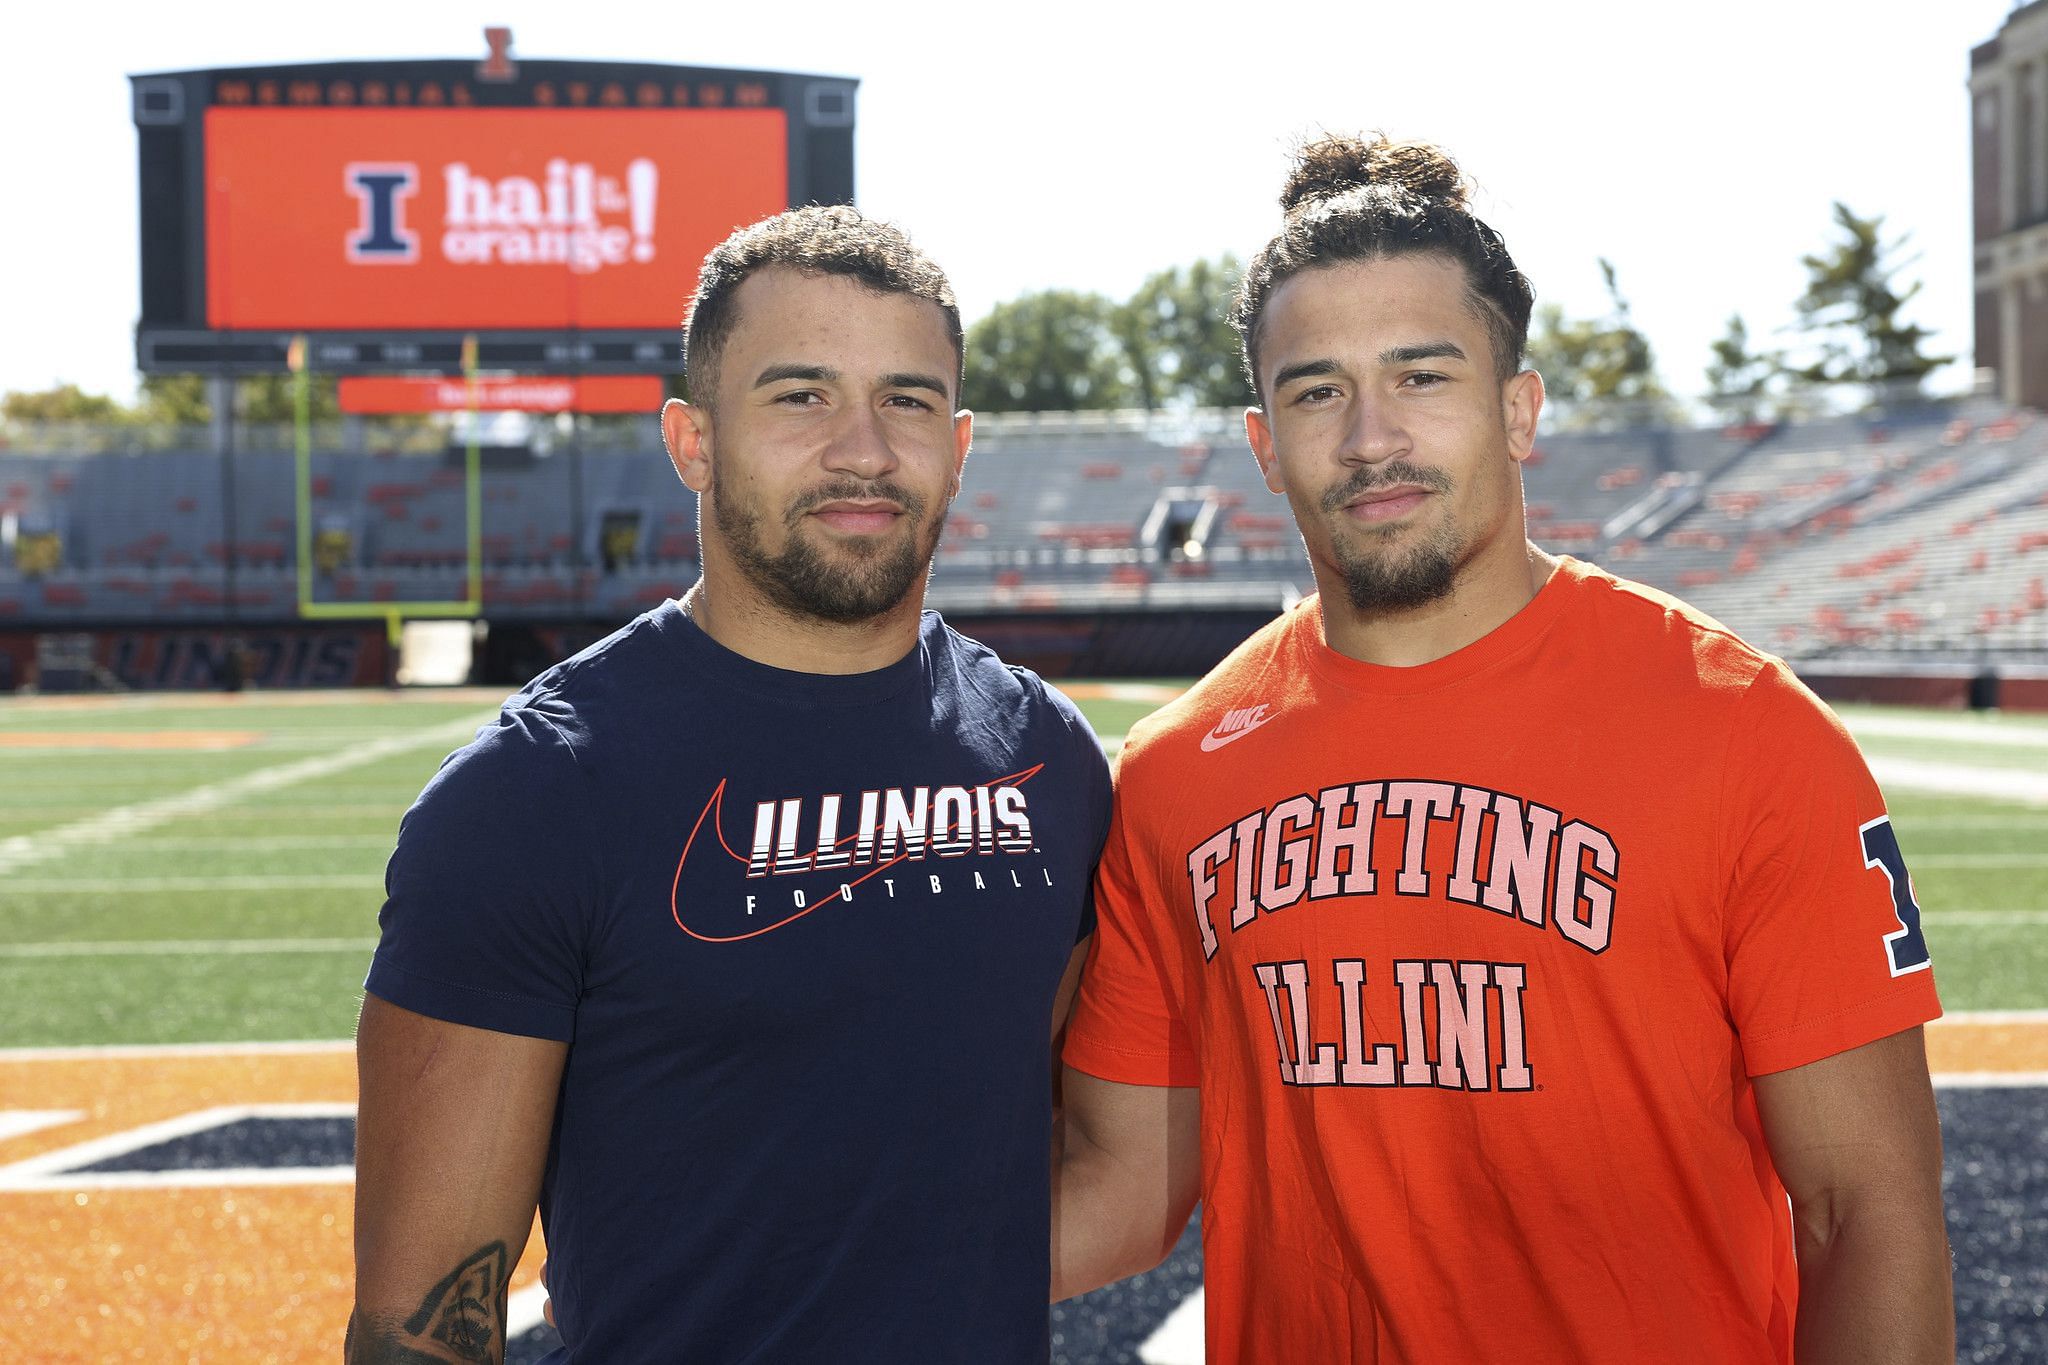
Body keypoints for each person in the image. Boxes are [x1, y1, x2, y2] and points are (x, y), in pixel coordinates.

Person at [1052, 134, 1954, 1364]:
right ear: (1262, 443)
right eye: (1316, 391)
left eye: (1421, 376)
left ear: (1516, 409)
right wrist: (785, 1236)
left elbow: (1866, 1218)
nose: (1371, 437)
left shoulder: (1743, 731)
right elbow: (1124, 1190)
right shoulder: (1174, 771)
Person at [349, 205, 1110, 1363]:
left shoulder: (1047, 760)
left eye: (903, 399)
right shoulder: (534, 794)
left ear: (957, 445)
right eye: (799, 396)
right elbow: (419, 1325)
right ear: (692, 441)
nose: (862, 447)